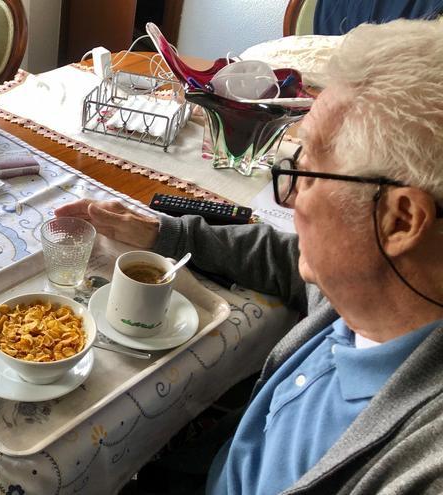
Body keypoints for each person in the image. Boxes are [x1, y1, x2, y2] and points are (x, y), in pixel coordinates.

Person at [56, 19, 443, 494]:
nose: (288, 199)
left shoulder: (424, 466)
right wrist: (162, 234)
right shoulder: (375, 286)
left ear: (400, 221)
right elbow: (287, 257)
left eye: (310, 172)